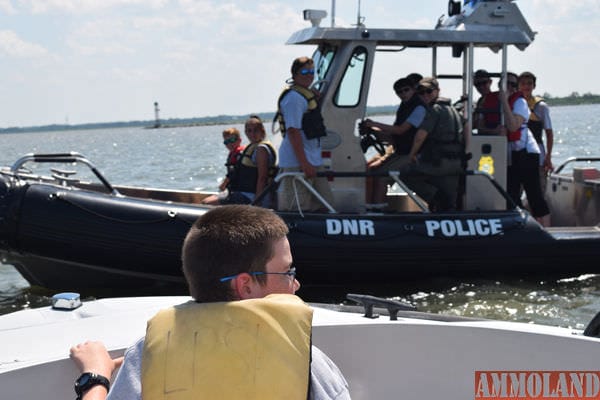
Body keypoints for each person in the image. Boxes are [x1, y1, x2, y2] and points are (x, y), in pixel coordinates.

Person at [70, 205, 350, 400]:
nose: (296, 284)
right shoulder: (305, 362)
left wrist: (95, 376)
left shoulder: (149, 354)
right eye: (288, 272)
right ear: (245, 285)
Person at [275, 56, 334, 212]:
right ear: (294, 74)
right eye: (304, 71)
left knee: (326, 203)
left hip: (313, 159)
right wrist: (304, 163)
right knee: (298, 207)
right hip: (297, 162)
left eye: (312, 72)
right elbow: (293, 132)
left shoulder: (305, 95)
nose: (309, 75)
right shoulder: (293, 98)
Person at [403, 77, 466, 211]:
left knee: (406, 174)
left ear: (437, 91)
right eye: (421, 92)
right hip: (456, 162)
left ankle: (437, 198)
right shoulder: (454, 110)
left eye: (429, 91)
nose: (425, 95)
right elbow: (467, 130)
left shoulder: (434, 110)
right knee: (450, 201)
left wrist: (411, 155)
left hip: (439, 162)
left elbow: (420, 136)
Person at [362, 76, 427, 204]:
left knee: (382, 174)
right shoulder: (405, 106)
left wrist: (376, 123)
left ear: (413, 90)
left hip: (413, 153)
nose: (403, 94)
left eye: (406, 90)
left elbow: (400, 130)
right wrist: (373, 129)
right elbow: (394, 136)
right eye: (399, 92)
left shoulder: (419, 108)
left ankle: (377, 208)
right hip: (401, 150)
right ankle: (370, 205)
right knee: (373, 170)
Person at [499, 72, 551, 227]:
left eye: (514, 85)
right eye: (507, 84)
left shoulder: (519, 102)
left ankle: (547, 230)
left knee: (534, 195)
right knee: (512, 195)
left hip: (527, 153)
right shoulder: (498, 101)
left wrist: (504, 101)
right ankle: (521, 226)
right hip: (511, 154)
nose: (511, 88)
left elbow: (513, 125)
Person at [518, 71, 554, 192]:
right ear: (518, 86)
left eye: (529, 83)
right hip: (518, 154)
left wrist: (548, 157)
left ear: (534, 86)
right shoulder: (514, 104)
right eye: (523, 83)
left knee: (539, 191)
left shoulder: (541, 106)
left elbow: (549, 133)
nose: (526, 87)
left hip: (538, 156)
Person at [201, 128, 245, 205]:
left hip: (240, 191)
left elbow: (233, 174)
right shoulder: (233, 154)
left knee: (206, 202)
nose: (229, 144)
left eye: (232, 140)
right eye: (226, 142)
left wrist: (223, 185)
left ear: (239, 140)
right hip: (234, 190)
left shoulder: (240, 155)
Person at [473, 69, 502, 135]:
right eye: (477, 84)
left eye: (484, 83)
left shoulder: (498, 97)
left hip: (494, 138)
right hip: (481, 137)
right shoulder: (479, 101)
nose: (481, 87)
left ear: (490, 82)